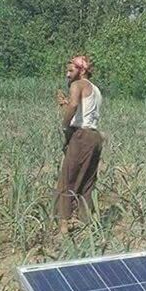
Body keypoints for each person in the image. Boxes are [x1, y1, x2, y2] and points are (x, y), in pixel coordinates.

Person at [55, 55, 103, 233]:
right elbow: (85, 110)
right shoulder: (95, 89)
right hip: (95, 137)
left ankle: (64, 226)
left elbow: (75, 105)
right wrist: (66, 104)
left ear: (81, 70)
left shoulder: (77, 85)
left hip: (81, 136)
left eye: (71, 70)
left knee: (68, 180)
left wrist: (65, 126)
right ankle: (86, 223)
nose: (67, 75)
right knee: (87, 182)